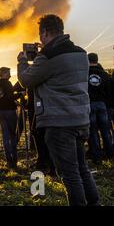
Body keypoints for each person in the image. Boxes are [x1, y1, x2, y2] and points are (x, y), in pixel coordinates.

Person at [17, 14, 100, 206]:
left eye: (41, 35)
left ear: (44, 32)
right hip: (80, 119)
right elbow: (60, 75)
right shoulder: (80, 53)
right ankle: (95, 203)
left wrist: (22, 62)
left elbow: (26, 80)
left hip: (59, 122)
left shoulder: (48, 56)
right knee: (82, 169)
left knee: (69, 174)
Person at [87, 53, 113, 162]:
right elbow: (110, 92)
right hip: (102, 105)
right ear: (97, 60)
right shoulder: (105, 75)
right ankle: (110, 153)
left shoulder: (84, 74)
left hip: (90, 105)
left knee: (92, 131)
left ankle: (97, 155)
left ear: (87, 61)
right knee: (106, 131)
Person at [0, 67, 19, 169]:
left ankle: (8, 160)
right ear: (4, 73)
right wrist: (20, 94)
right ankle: (14, 159)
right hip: (10, 111)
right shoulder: (7, 83)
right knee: (13, 135)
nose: (10, 75)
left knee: (5, 136)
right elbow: (10, 97)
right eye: (8, 73)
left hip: (0, 111)